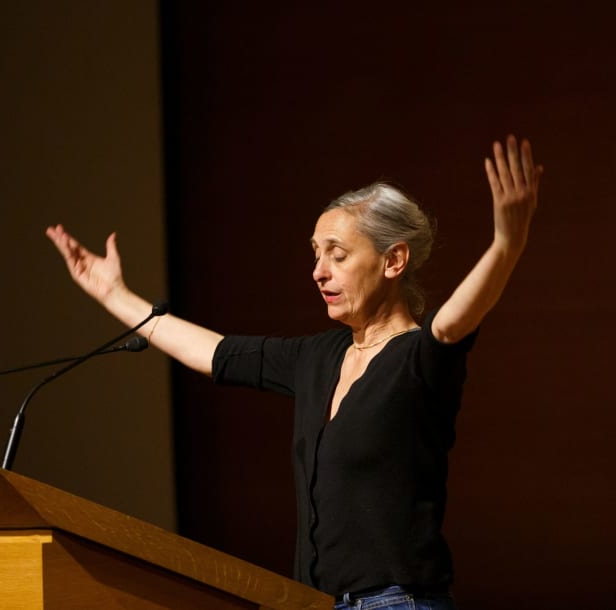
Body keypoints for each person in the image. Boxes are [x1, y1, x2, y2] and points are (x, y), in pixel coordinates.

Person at [46, 135, 542, 609]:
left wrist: (505, 246)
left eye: (338, 254)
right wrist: (115, 296)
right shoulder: (318, 358)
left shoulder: (418, 360)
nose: (318, 271)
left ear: (394, 260)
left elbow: (455, 320)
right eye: (316, 254)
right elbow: (215, 352)